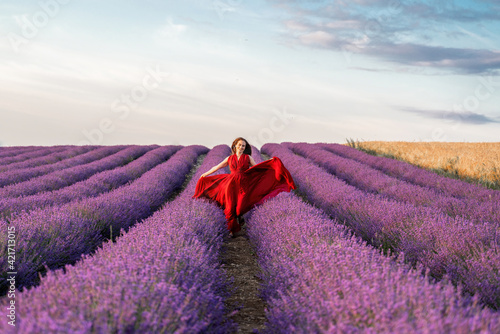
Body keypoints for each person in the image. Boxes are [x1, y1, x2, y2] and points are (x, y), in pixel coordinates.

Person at [192, 137, 296, 237]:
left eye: (243, 146)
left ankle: (239, 216)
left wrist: (269, 164)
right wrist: (205, 174)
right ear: (235, 146)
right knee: (230, 208)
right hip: (230, 185)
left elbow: (257, 168)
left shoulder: (247, 158)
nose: (241, 147)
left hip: (244, 184)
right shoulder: (229, 158)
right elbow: (217, 166)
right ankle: (233, 231)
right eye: (240, 145)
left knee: (240, 207)